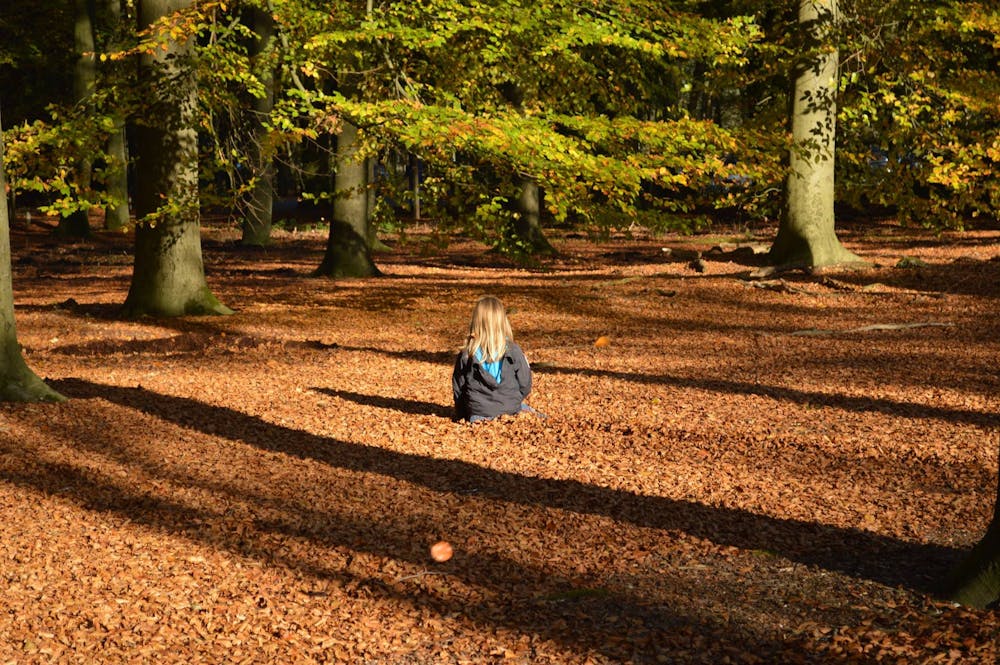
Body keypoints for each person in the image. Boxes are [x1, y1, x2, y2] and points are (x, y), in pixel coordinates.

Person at [452, 296, 538, 422]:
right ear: (503, 321)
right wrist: (512, 399)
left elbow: (459, 387)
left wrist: (462, 414)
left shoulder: (467, 354)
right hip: (510, 408)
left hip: (478, 413)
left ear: (476, 322)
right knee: (536, 415)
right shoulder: (513, 350)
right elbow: (525, 383)